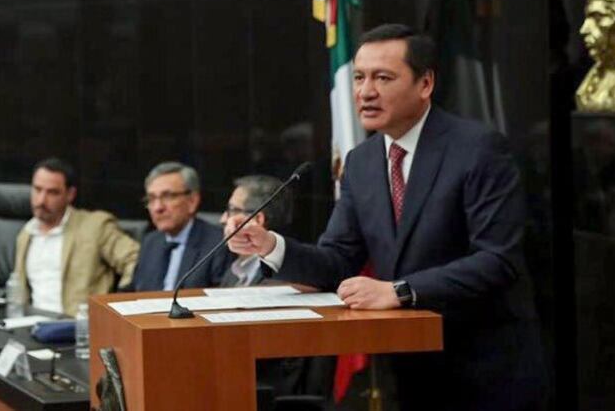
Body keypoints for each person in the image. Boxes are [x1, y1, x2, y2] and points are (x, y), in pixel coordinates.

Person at [229, 24, 544, 411]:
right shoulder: (362, 162)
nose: (365, 92)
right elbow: (336, 262)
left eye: (383, 78)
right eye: (359, 77)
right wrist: (272, 246)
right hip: (410, 370)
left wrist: (399, 289)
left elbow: (497, 260)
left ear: (425, 83)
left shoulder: (478, 149)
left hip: (485, 368)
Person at [13, 158, 138, 316]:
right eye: (37, 189)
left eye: (52, 192)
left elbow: (135, 260)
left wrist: (120, 307)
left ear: (70, 194)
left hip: (77, 328)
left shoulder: (95, 226)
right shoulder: (26, 234)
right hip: (30, 323)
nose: (41, 200)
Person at [132, 161, 232, 291]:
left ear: (192, 201)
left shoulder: (218, 245)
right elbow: (134, 291)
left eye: (167, 196)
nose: (158, 207)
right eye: (151, 199)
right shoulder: (150, 242)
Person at [219, 174, 291, 287]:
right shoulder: (233, 270)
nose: (222, 219)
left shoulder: (280, 279)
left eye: (232, 210)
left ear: (257, 219)